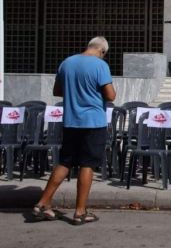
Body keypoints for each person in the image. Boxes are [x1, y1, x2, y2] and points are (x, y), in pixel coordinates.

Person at [32, 37, 116, 225]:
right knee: (87, 164)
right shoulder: (100, 65)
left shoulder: (67, 63)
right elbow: (111, 95)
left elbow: (57, 91)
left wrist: (75, 92)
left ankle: (43, 203)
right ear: (102, 51)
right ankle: (80, 211)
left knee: (65, 162)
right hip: (93, 122)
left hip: (71, 121)